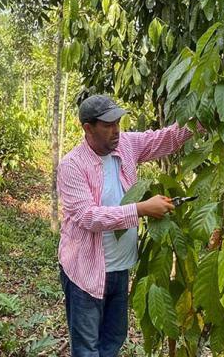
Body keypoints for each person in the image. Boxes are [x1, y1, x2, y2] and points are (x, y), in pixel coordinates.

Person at [56, 94, 194, 356]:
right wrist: (141, 209)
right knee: (87, 348)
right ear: (88, 128)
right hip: (86, 270)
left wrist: (200, 120)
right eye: (108, 125)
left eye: (118, 123)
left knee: (114, 339)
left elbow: (166, 139)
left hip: (120, 266)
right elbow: (89, 216)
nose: (116, 130)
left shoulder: (126, 145)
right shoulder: (72, 165)